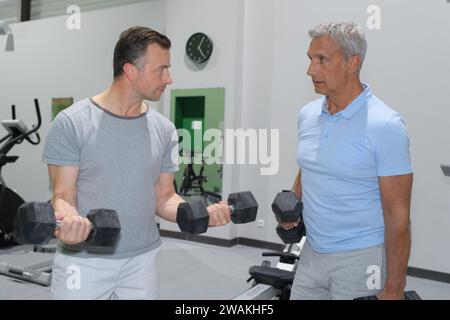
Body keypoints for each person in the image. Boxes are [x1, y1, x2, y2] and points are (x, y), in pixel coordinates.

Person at [42, 26, 231, 300]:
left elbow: (164, 197)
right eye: (161, 69)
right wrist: (69, 222)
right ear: (131, 71)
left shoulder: (163, 129)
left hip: (142, 259)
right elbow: (62, 196)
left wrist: (198, 213)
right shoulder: (73, 122)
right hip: (84, 260)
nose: (169, 78)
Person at [284, 22, 413, 300]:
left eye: (322, 60)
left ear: (352, 63)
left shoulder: (386, 125)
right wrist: (293, 205)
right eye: (310, 59)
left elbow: (397, 214)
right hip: (311, 253)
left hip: (361, 258)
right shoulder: (308, 115)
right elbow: (310, 164)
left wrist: (394, 287)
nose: (310, 70)